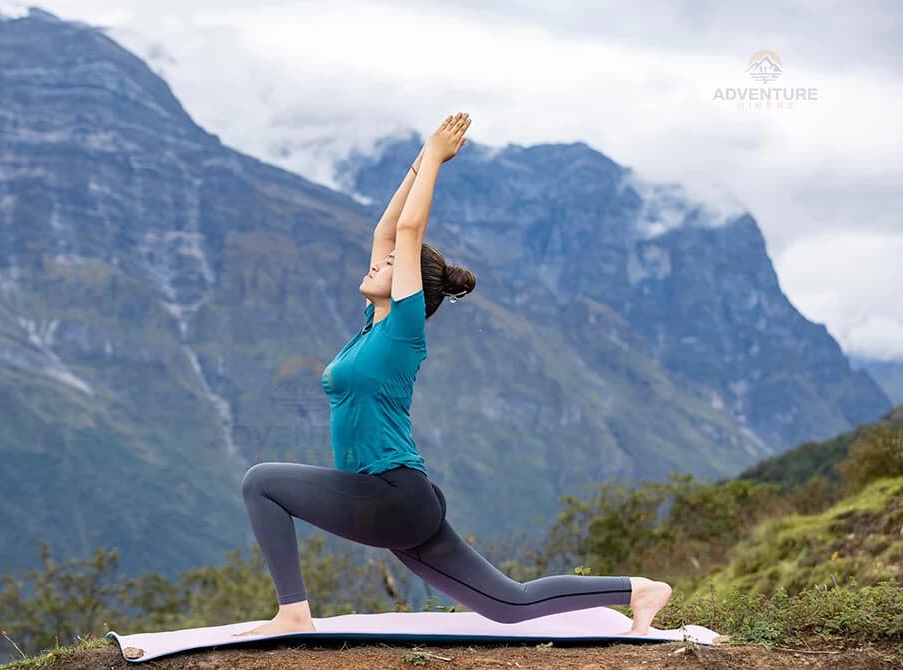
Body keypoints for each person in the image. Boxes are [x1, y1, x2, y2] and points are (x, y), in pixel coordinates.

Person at [234, 113, 672, 638]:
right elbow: (385, 231)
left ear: (411, 283)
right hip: (397, 500)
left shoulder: (403, 331)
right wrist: (420, 159)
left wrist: (437, 161)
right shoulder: (372, 329)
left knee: (261, 482)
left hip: (392, 493)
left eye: (393, 263)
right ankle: (639, 590)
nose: (378, 261)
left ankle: (293, 613)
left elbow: (408, 229)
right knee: (511, 604)